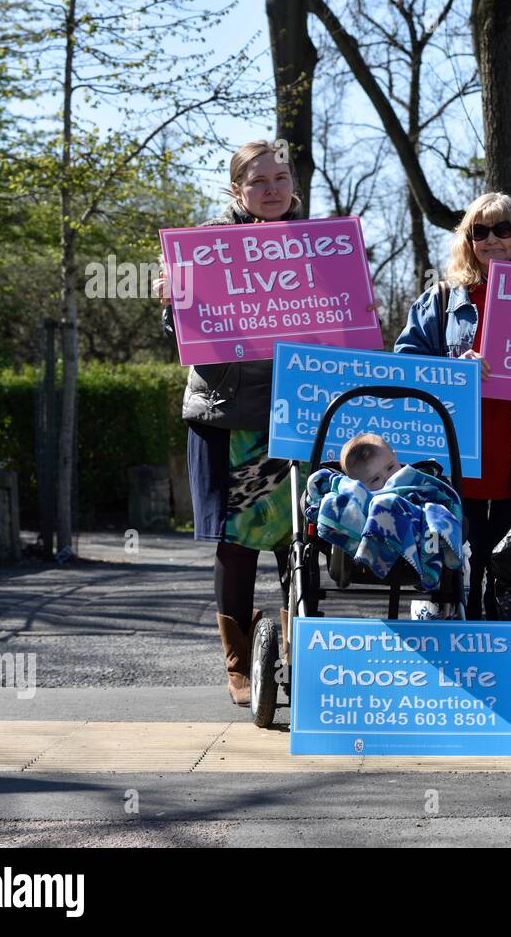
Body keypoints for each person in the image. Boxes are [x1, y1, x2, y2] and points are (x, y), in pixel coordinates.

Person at [155, 139, 300, 705]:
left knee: (300, 539)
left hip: (298, 413)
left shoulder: (320, 248)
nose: (272, 190)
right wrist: (174, 304)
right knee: (237, 541)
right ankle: (240, 663)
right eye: (259, 181)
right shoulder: (206, 246)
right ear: (237, 190)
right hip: (227, 416)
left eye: (281, 178)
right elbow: (185, 338)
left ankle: (297, 650)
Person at [394, 192, 511, 621]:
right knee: (457, 586)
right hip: (458, 466)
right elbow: (403, 365)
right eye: (480, 231)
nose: (492, 239)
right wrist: (454, 369)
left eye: (502, 230)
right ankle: (465, 673)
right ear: (468, 240)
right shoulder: (442, 300)